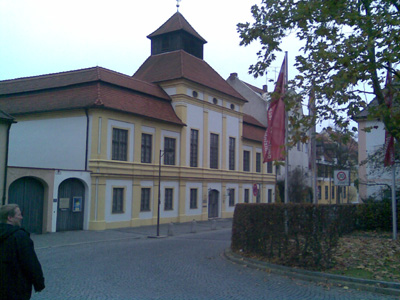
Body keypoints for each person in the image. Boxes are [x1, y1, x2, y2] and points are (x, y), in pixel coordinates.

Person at [0, 204, 45, 300]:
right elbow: (30, 262)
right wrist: (38, 283)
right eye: (19, 215)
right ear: (10, 218)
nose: (21, 217)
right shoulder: (20, 236)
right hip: (16, 286)